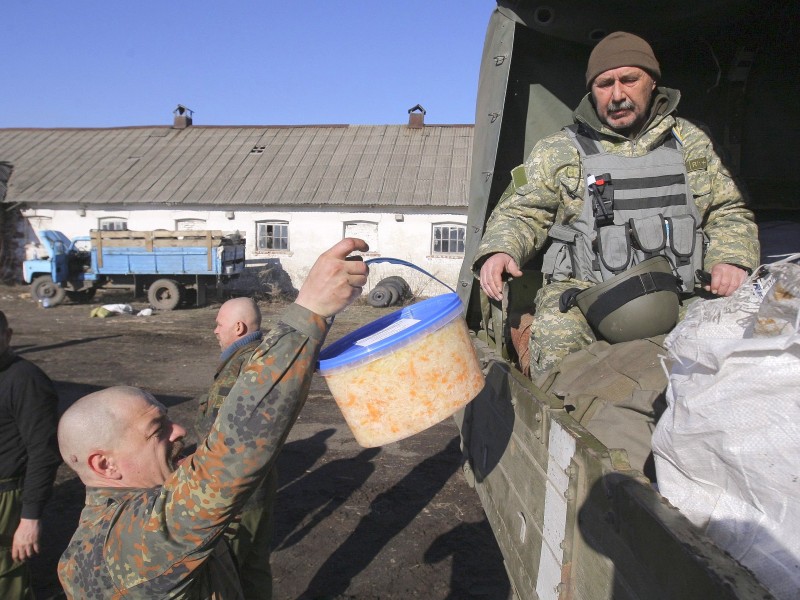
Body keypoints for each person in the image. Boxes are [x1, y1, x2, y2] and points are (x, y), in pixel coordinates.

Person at [56, 238, 370, 599]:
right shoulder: (119, 545)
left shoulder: (156, 500)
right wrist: (309, 311)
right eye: (156, 430)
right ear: (105, 464)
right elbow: (228, 458)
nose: (179, 431)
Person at [474, 31, 760, 380]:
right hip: (587, 294)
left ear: (652, 82)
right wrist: (501, 249)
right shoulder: (559, 150)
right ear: (591, 91)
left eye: (629, 79)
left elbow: (728, 210)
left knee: (732, 338)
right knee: (555, 332)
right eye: (604, 84)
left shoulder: (692, 142)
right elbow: (522, 211)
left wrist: (730, 260)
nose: (617, 94)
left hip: (682, 293)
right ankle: (569, 427)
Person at [195, 297, 276, 600]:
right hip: (255, 483)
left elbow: (220, 433)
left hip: (235, 489)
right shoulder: (257, 358)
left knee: (230, 569)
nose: (215, 330)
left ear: (238, 327)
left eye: (219, 323)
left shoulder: (242, 367)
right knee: (254, 566)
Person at [0, 310, 61, 599]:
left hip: (6, 496)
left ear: (8, 337)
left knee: (6, 578)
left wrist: (30, 517)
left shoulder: (25, 380)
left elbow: (44, 451)